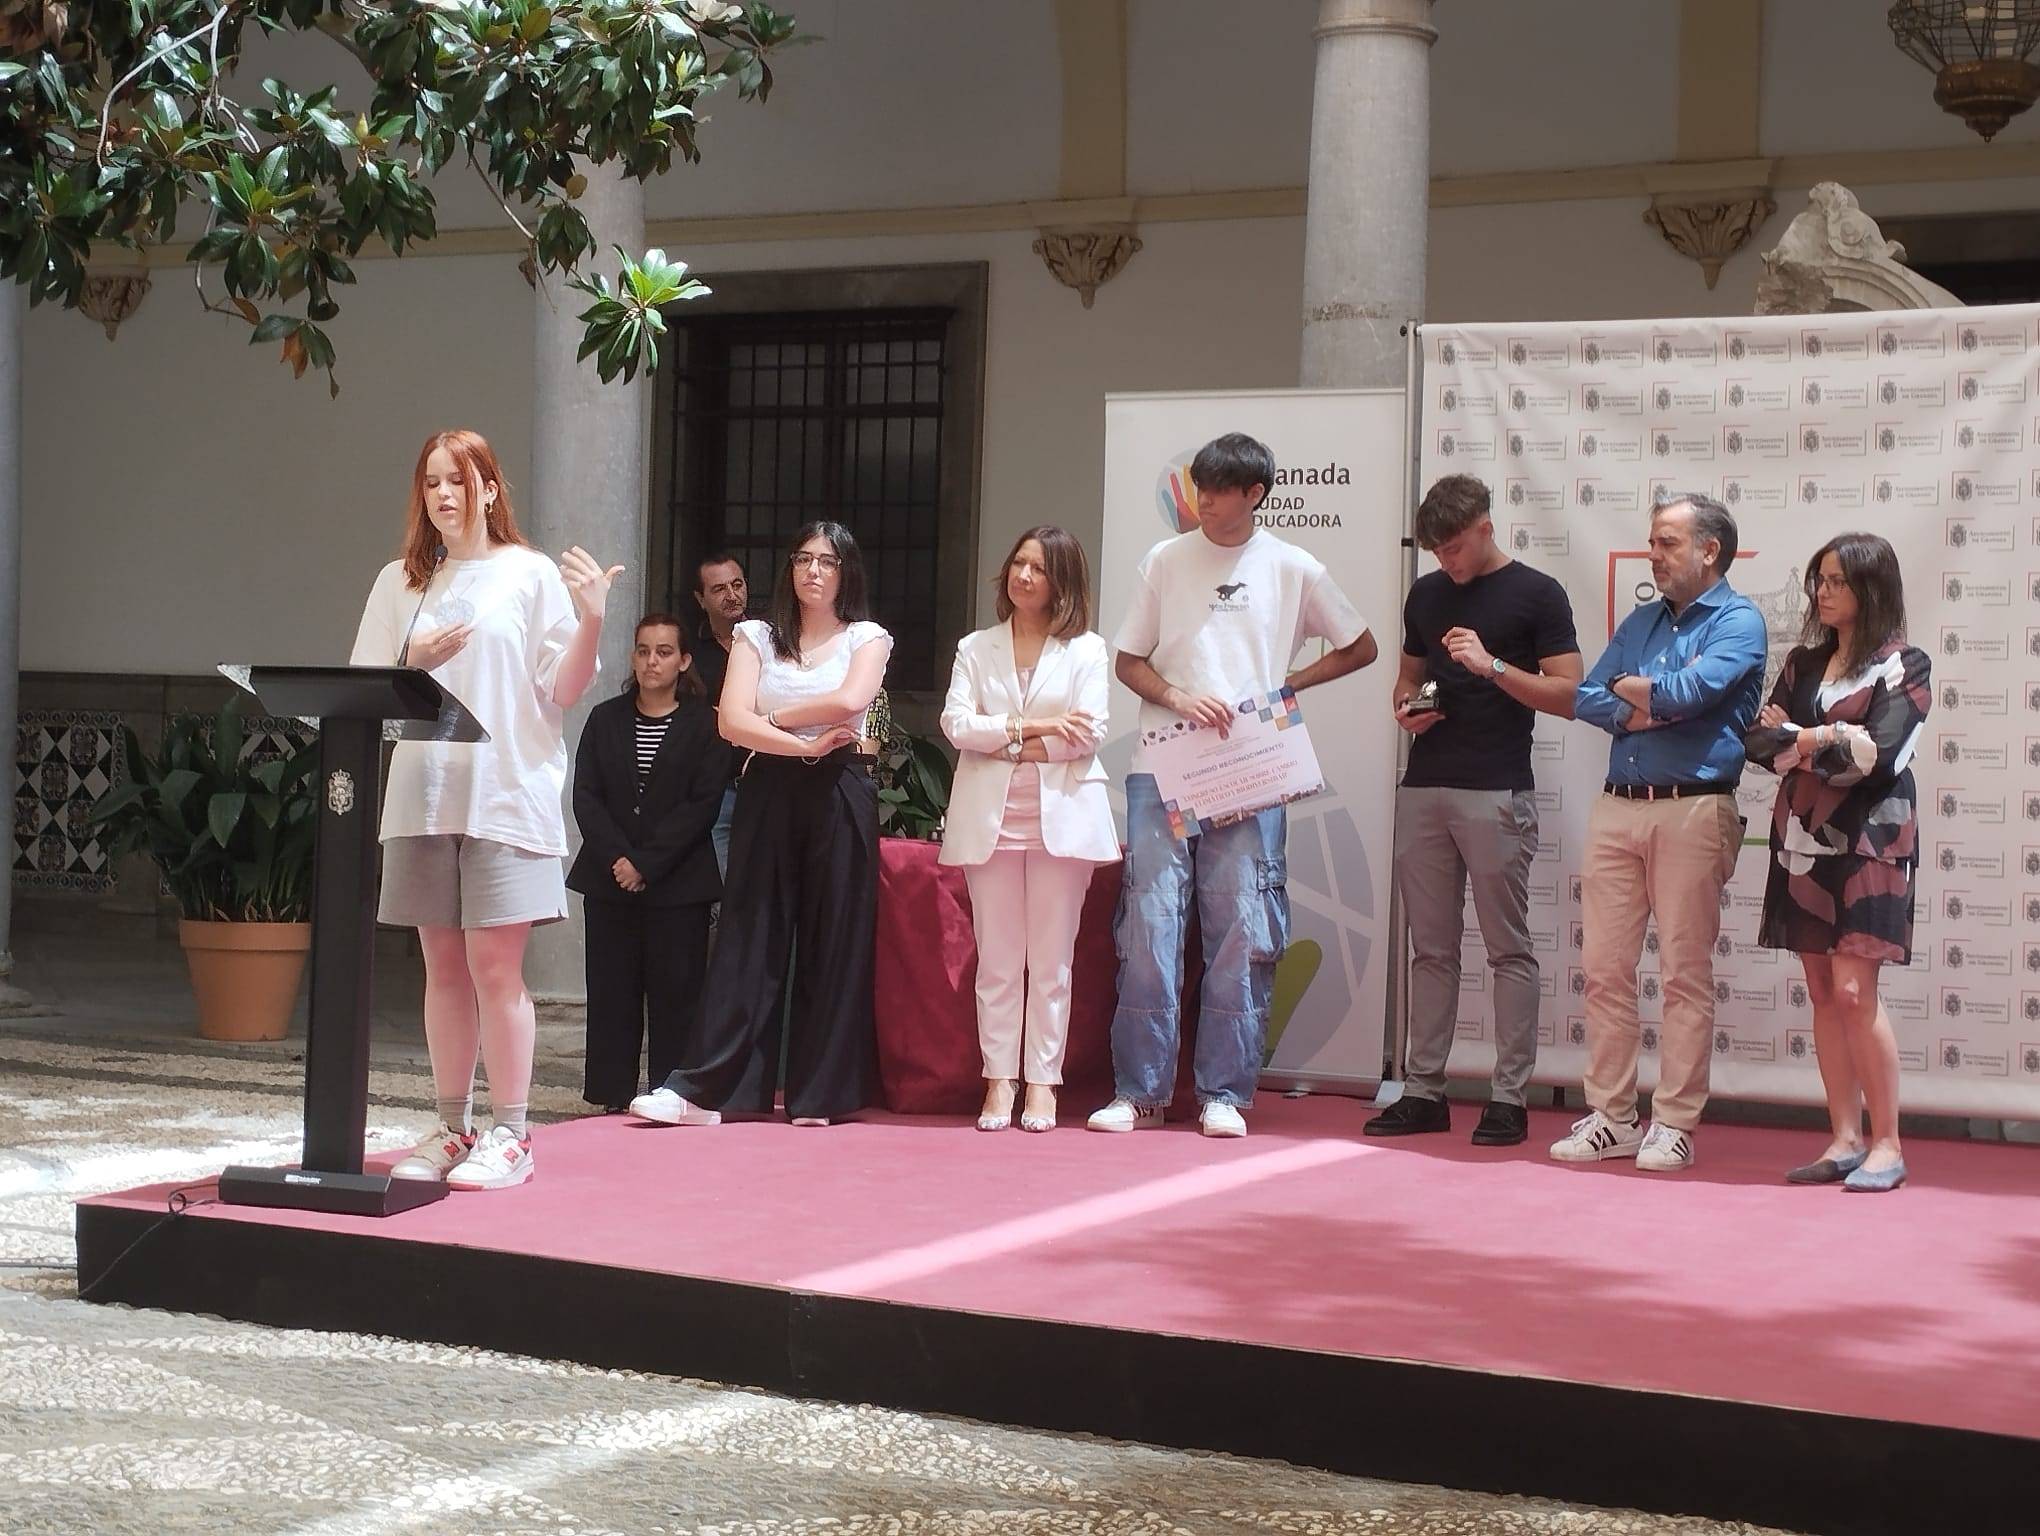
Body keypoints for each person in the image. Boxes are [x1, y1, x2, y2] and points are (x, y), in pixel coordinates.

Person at [351, 428, 621, 1190]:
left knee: (494, 967)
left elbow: (564, 687)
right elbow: (361, 685)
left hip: (505, 791)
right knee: (441, 966)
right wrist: (412, 662)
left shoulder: (528, 574)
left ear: (491, 489)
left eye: (459, 480)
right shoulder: (400, 582)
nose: (444, 494)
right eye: (431, 481)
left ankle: (512, 1133)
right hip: (424, 792)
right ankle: (453, 1126)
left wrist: (592, 618)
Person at [1090, 433, 1377, 1139]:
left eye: (1221, 490)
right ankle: (1140, 1091)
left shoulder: (1293, 565)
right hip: (1163, 766)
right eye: (1201, 488)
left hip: (1251, 767)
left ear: (1255, 494)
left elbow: (1361, 645)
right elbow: (1128, 660)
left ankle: (1223, 1092)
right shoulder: (1165, 558)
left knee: (1241, 928)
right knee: (1151, 923)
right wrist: (1179, 697)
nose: (1207, 501)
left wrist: (1286, 687)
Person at [630, 522, 891, 1128]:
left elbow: (850, 701)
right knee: (749, 935)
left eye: (827, 561)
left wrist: (770, 717)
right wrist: (800, 744)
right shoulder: (756, 635)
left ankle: (820, 1093)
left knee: (835, 936)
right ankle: (710, 1089)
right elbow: (729, 722)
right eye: (803, 559)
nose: (813, 571)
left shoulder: (868, 637)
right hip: (771, 783)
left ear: (847, 571)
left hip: (841, 785)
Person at [1364, 475, 1582, 1148]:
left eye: (1455, 547)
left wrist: (1492, 667)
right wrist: (1405, 709)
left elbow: (1570, 693)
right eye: (1437, 551)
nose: (1446, 562)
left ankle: (1509, 1098)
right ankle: (1423, 1090)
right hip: (1425, 783)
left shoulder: (1538, 593)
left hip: (1497, 788)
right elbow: (1407, 675)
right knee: (1430, 948)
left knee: (1507, 947)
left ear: (1486, 528)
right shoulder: (1427, 594)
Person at [1556, 491, 1766, 1173]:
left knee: (1683, 974)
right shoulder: (1642, 619)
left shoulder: (1739, 621)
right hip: (1618, 805)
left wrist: (1635, 691)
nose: (1654, 554)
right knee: (1603, 970)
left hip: (1694, 807)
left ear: (1710, 550)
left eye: (1667, 543)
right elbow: (1587, 697)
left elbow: (1690, 695)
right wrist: (1642, 701)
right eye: (1651, 542)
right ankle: (1612, 1116)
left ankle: (1673, 1121)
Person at [1744, 534, 1929, 1193]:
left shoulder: (1905, 664)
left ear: (1871, 589)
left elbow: (1878, 755)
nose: (1822, 592)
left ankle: (1888, 1144)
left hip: (1871, 840)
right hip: (1801, 838)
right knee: (1822, 990)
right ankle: (1845, 1138)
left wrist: (1800, 738)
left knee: (1855, 991)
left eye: (1837, 582)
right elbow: (1759, 745)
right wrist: (1824, 738)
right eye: (1818, 580)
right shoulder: (1802, 663)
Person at [940, 526, 1119, 1134]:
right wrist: (1036, 728)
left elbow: (1088, 733)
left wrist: (1004, 740)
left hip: (1060, 820)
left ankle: (1043, 1082)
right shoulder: (975, 647)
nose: (1023, 576)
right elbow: (957, 725)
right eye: (1019, 563)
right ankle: (999, 1080)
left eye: (1038, 568)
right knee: (996, 961)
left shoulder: (1086, 650)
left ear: (1062, 580)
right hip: (990, 822)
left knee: (1051, 963)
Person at [567, 614, 730, 1112]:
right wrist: (620, 858)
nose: (651, 661)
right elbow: (586, 796)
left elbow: (702, 804)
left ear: (683, 661)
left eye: (663, 652)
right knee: (611, 990)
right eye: (643, 651)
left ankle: (670, 1090)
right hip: (608, 878)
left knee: (676, 993)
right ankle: (611, 1092)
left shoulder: (705, 724)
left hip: (679, 882)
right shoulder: (605, 719)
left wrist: (647, 863)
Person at [692, 552, 751, 876]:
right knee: (725, 886)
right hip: (717, 789)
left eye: (737, 585)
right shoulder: (690, 653)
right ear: (700, 599)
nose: (732, 595)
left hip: (768, 781)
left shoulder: (770, 640)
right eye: (719, 589)